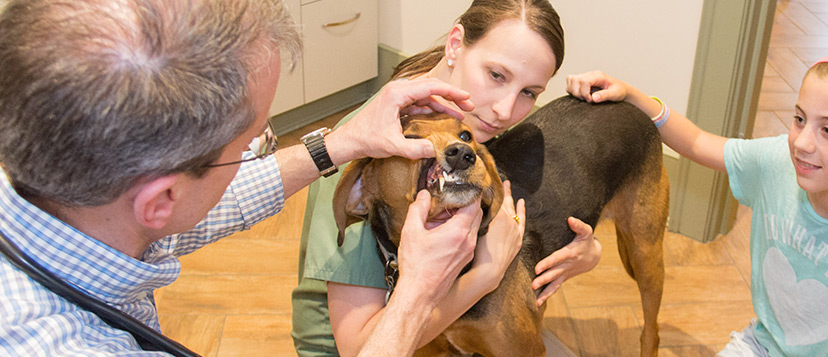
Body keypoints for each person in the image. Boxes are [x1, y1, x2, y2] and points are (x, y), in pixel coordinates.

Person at [0, 0, 489, 355]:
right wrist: (417, 295)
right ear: (160, 199)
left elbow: (220, 200)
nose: (257, 152)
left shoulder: (87, 205)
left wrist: (342, 143)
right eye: (253, 143)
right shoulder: (54, 344)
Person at [566, 48, 828, 356]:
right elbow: (697, 143)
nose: (803, 143)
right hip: (764, 346)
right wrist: (631, 95)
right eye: (799, 119)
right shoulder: (781, 161)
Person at [291, 0, 605, 355]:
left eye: (529, 93)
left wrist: (589, 251)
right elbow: (358, 348)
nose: (505, 111)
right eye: (496, 75)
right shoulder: (367, 150)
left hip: (435, 312)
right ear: (455, 45)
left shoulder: (466, 121)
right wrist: (482, 278)